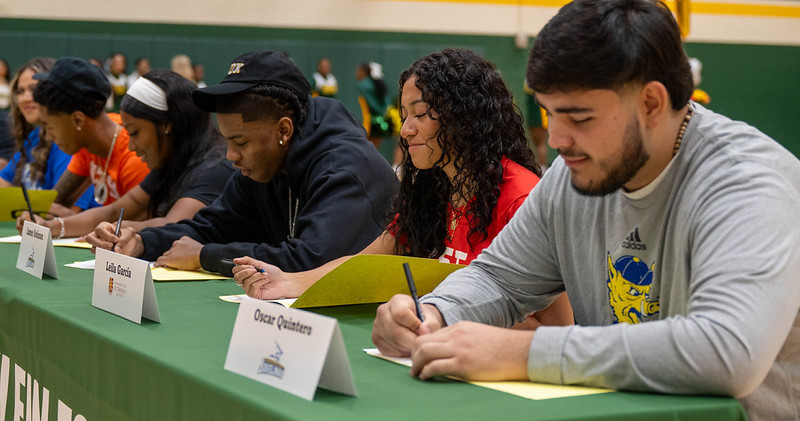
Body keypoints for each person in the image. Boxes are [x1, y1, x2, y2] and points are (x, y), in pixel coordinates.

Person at [371, 1, 800, 421]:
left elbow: (725, 352)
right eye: (549, 113)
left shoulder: (747, 183)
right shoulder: (573, 175)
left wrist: (525, 352)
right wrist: (435, 313)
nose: (555, 139)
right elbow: (500, 276)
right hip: (621, 419)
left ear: (651, 102)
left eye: (578, 117)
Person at [232, 48, 572, 326]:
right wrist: (288, 281)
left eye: (420, 114)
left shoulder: (519, 195)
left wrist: (447, 313)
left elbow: (560, 331)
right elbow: (364, 264)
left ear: (465, 116)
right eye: (404, 115)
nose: (405, 129)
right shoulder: (431, 186)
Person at [85, 50, 396, 276]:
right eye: (228, 140)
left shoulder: (344, 167)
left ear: (283, 130)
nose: (230, 155)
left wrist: (206, 257)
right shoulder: (264, 162)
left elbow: (312, 261)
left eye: (240, 142)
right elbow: (212, 227)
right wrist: (140, 241)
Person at [18, 70, 232, 237]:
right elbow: (112, 212)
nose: (131, 146)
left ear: (167, 126)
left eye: (135, 133)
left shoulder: (214, 168)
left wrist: (125, 229)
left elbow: (174, 226)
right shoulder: (170, 164)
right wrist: (51, 227)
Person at [18, 56, 149, 228]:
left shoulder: (135, 156)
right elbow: (57, 202)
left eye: (49, 126)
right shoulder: (88, 142)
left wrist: (61, 222)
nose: (49, 136)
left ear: (78, 120)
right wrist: (40, 218)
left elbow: (134, 229)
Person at [0, 57, 96, 211]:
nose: (25, 98)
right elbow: (4, 184)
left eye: (33, 89)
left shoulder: (70, 141)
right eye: (20, 91)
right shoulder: (35, 137)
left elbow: (66, 211)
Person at [356, 61, 393, 148]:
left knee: (366, 148)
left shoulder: (363, 85)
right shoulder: (377, 84)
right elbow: (387, 103)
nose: (357, 73)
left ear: (364, 71)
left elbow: (372, 104)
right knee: (373, 149)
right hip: (380, 122)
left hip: (370, 123)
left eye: (358, 70)